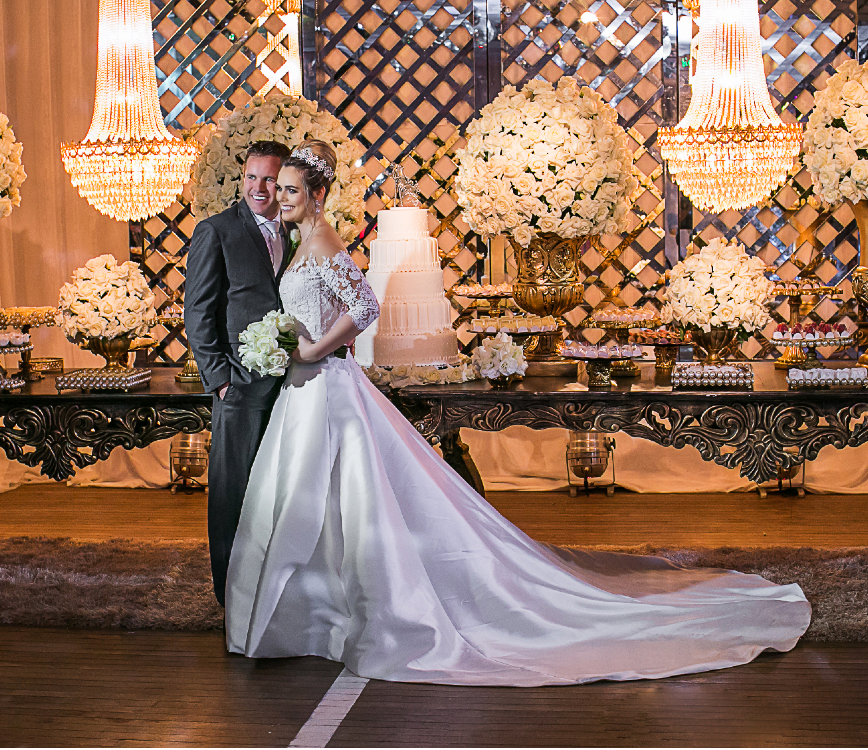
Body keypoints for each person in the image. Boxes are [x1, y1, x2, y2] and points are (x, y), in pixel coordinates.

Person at [224, 140, 812, 686]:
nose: (280, 197)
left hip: (325, 383)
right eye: (280, 189)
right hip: (304, 389)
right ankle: (320, 615)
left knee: (342, 501)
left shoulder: (322, 241)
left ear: (318, 195)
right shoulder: (299, 242)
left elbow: (365, 305)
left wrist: (313, 349)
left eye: (291, 190)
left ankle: (357, 614)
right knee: (318, 502)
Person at [184, 140, 293, 605]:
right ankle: (228, 593)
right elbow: (197, 312)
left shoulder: (296, 231)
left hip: (291, 384)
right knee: (233, 490)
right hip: (239, 385)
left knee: (278, 488)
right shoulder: (216, 231)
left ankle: (274, 587)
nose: (259, 188)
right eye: (252, 177)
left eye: (269, 179)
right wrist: (221, 380)